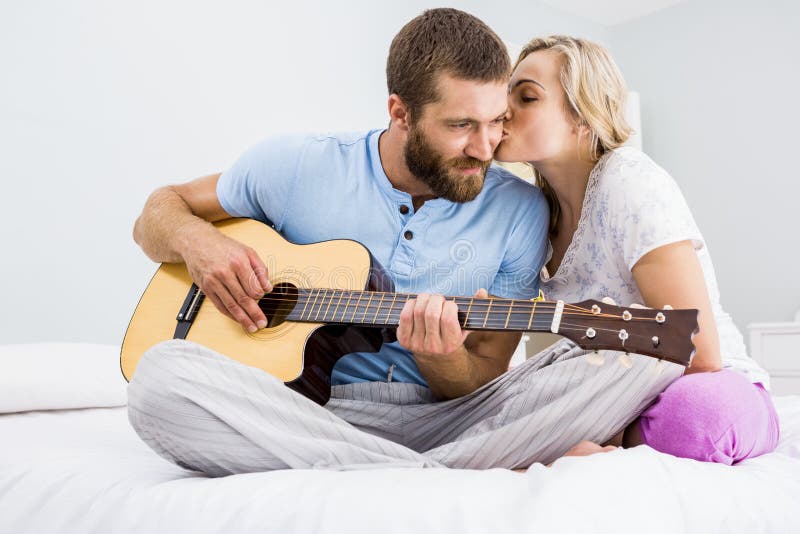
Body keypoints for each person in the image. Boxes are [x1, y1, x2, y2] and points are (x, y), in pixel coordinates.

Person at [126, 9, 683, 475]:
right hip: (303, 406)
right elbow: (158, 211)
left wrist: (436, 357)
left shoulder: (520, 211)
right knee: (159, 381)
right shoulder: (295, 164)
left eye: (496, 121)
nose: (486, 146)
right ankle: (437, 472)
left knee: (632, 361)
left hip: (445, 418)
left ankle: (393, 468)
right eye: (461, 125)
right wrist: (199, 245)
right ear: (400, 113)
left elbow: (484, 375)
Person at [496, 35, 780, 464]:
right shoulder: (534, 215)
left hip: (709, 387)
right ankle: (608, 442)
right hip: (614, 399)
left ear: (582, 116)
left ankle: (614, 445)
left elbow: (701, 355)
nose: (504, 110)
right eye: (506, 95)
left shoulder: (628, 180)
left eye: (527, 97)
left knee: (702, 416)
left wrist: (603, 430)